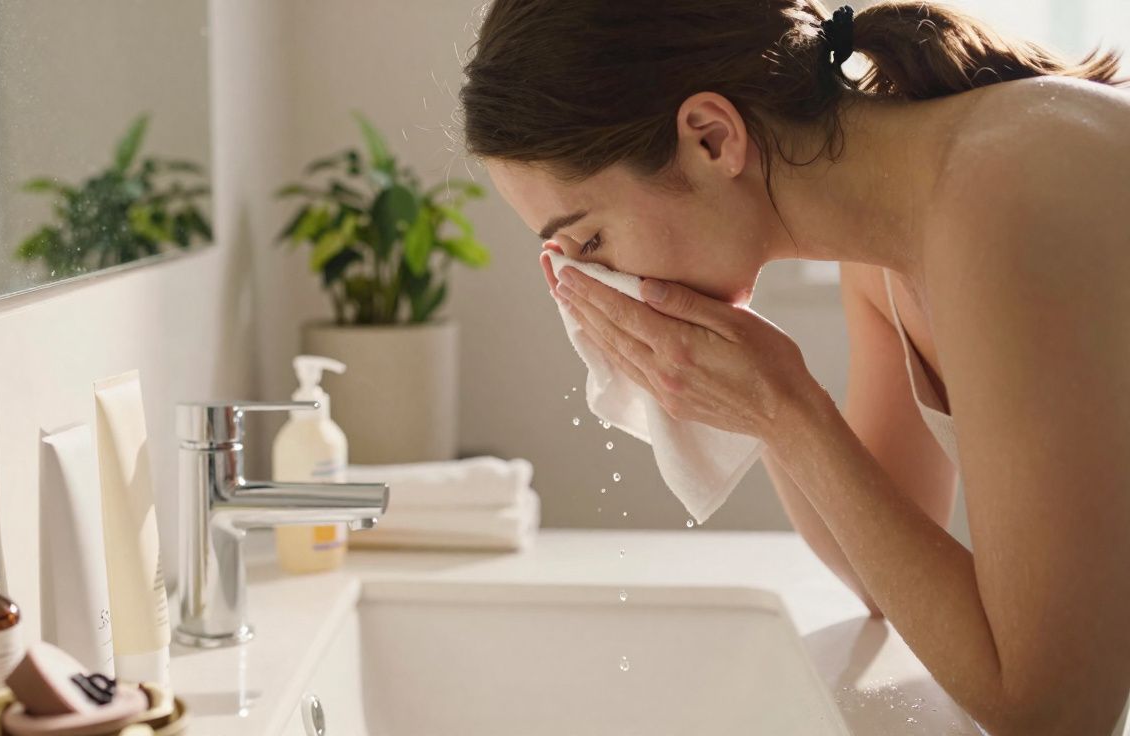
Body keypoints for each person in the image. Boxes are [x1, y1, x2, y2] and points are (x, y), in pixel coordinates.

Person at [460, 1, 1130, 733]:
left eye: (590, 243)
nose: (597, 285)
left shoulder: (1002, 193)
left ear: (712, 138)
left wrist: (787, 410)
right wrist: (759, 398)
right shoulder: (888, 242)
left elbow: (1054, 711)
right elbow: (878, 581)